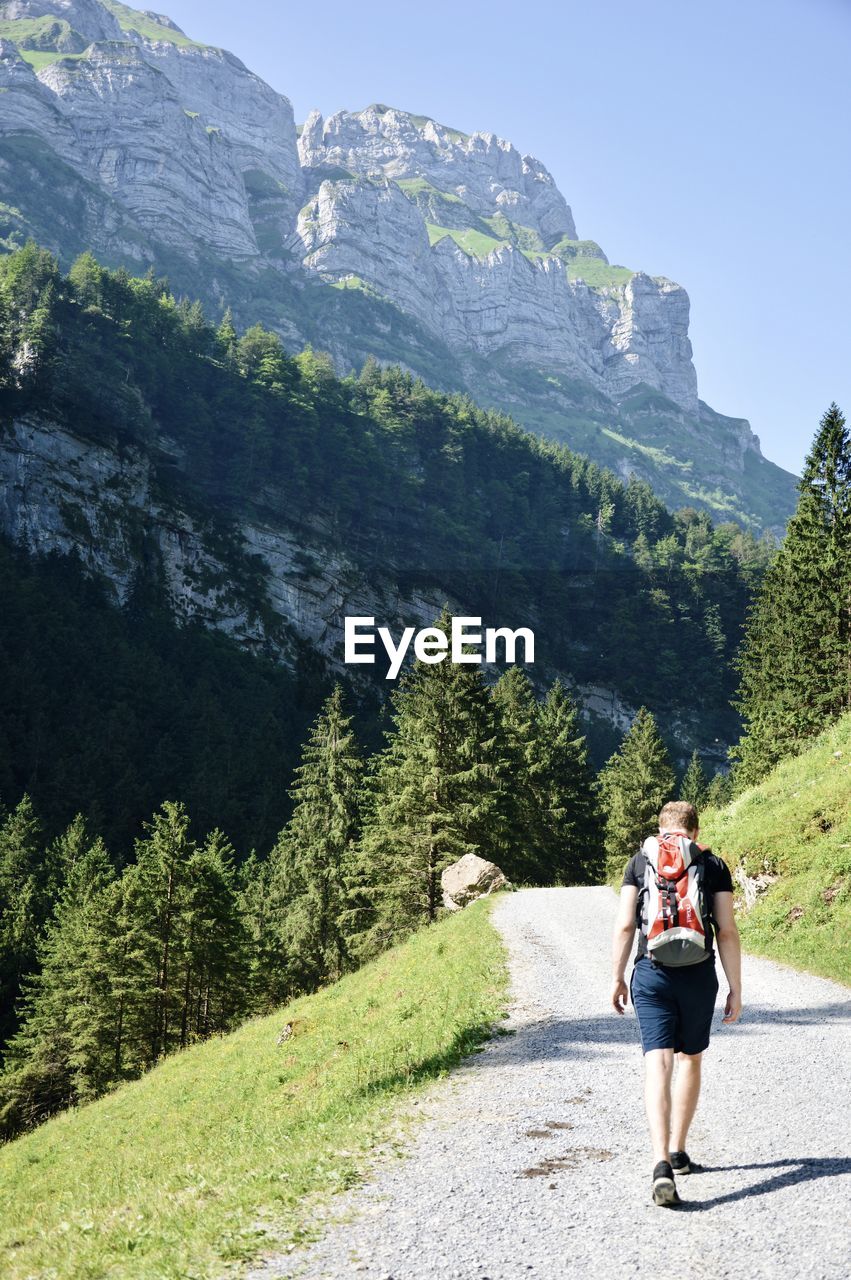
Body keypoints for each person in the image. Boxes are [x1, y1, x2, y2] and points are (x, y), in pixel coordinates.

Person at [610, 799, 742, 1206]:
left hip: (651, 973)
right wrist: (735, 986)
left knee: (658, 1063)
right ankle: (680, 1151)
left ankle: (660, 1162)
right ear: (695, 831)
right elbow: (727, 931)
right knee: (690, 1059)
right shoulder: (713, 864)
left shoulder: (640, 861)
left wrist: (617, 976)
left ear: (661, 828)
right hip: (699, 975)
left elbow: (627, 923)